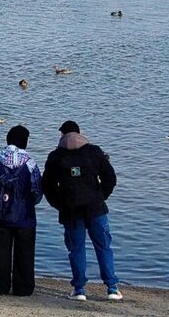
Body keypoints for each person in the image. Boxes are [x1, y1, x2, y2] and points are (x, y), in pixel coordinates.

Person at [42, 120, 120, 302]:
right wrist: (101, 197)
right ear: (80, 133)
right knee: (103, 247)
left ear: (61, 135)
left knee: (76, 250)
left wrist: (59, 204)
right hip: (96, 208)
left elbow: (47, 186)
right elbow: (110, 178)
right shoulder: (94, 152)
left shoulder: (55, 156)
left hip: (70, 211)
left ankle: (79, 289)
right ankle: (112, 288)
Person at [0, 124, 43, 296]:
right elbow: (37, 189)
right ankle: (23, 288)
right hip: (25, 214)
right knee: (25, 253)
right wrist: (31, 203)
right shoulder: (30, 162)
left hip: (0, 213)